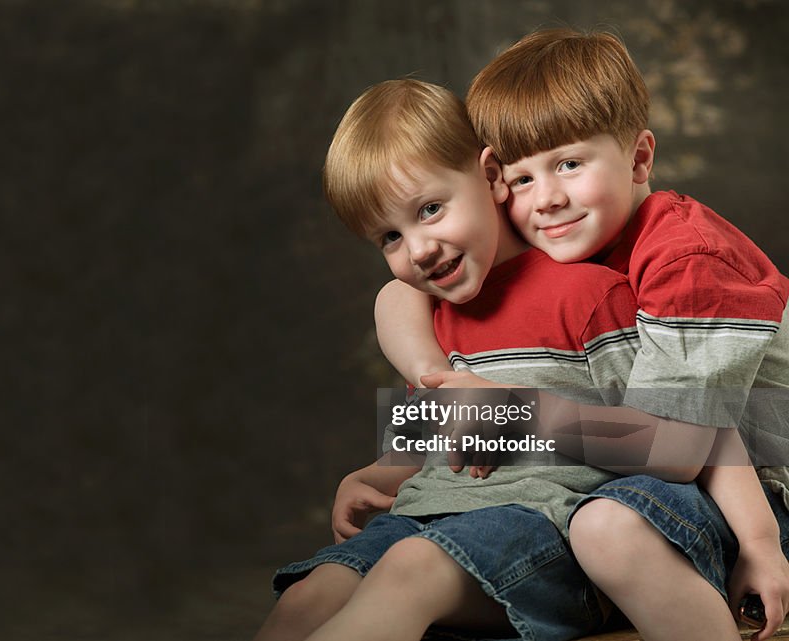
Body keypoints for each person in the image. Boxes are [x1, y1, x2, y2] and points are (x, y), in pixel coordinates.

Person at [374, 28, 789, 641]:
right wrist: (396, 467)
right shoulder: (570, 262)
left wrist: (514, 417)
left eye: (568, 164)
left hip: (763, 488)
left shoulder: (686, 261)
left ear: (640, 158)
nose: (547, 200)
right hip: (663, 484)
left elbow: (678, 451)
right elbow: (403, 296)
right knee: (580, 523)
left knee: (604, 528)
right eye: (520, 180)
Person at [254, 78, 650, 641]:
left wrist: (517, 416)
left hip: (547, 532)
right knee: (308, 597)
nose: (416, 250)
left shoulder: (588, 293)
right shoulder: (436, 314)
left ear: (490, 177)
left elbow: (670, 444)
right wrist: (374, 473)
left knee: (411, 570)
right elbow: (442, 437)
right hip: (425, 517)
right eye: (389, 236)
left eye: (431, 209)